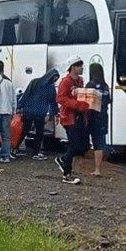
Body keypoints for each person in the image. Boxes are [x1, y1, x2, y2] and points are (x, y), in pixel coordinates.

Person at [55, 56, 90, 184]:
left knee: (82, 146)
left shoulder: (80, 81)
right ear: (73, 67)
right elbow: (60, 98)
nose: (81, 68)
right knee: (73, 144)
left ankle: (63, 160)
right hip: (69, 118)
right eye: (79, 66)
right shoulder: (65, 81)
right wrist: (76, 104)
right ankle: (66, 174)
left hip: (80, 117)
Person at [18, 69, 60, 160]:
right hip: (40, 113)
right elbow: (53, 102)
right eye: (55, 79)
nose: (55, 81)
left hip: (28, 111)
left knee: (25, 130)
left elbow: (26, 95)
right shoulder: (51, 88)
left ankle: (15, 148)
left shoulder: (35, 82)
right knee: (39, 133)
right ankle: (35, 152)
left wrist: (20, 106)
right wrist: (56, 112)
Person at [85, 63, 111, 177]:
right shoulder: (105, 86)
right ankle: (98, 169)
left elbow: (86, 102)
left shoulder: (90, 85)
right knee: (99, 144)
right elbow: (109, 101)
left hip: (92, 117)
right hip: (103, 117)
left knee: (84, 140)